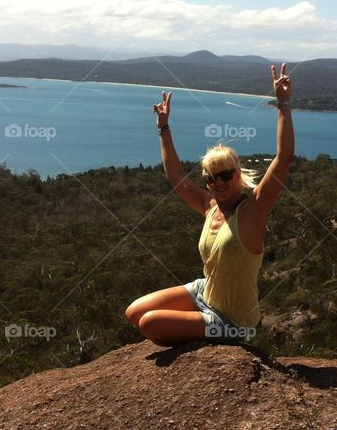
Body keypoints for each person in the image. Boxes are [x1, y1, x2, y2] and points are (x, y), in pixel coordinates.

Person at [125, 63, 294, 346]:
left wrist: (283, 104)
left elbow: (285, 157)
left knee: (149, 323)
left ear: (238, 173)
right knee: (133, 312)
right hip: (205, 292)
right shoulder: (210, 205)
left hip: (230, 322)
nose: (219, 182)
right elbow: (176, 176)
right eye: (211, 178)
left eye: (226, 174)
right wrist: (164, 127)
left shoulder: (253, 207)